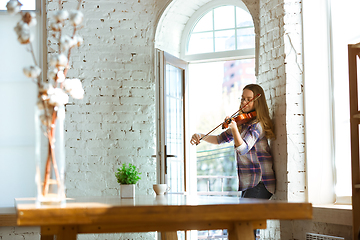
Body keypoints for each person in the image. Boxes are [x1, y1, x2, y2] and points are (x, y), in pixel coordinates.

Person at [191, 84, 276, 235]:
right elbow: (219, 139)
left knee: (245, 225)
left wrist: (235, 129)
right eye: (243, 99)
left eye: (249, 99)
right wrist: (201, 136)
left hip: (261, 182)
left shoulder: (258, 125)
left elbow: (243, 148)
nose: (244, 102)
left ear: (258, 102)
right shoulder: (242, 123)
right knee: (245, 226)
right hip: (249, 182)